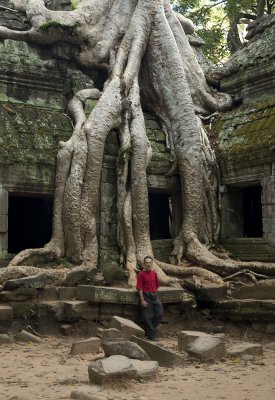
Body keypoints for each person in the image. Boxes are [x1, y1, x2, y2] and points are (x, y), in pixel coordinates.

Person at [136, 256, 163, 341]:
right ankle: (152, 335)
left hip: (154, 295)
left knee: (159, 313)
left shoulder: (154, 273)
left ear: (152, 263)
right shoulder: (141, 274)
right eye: (147, 263)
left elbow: (157, 285)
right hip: (146, 295)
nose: (149, 264)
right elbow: (139, 288)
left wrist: (156, 295)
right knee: (147, 316)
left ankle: (148, 330)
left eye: (150, 262)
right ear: (144, 264)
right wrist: (142, 300)